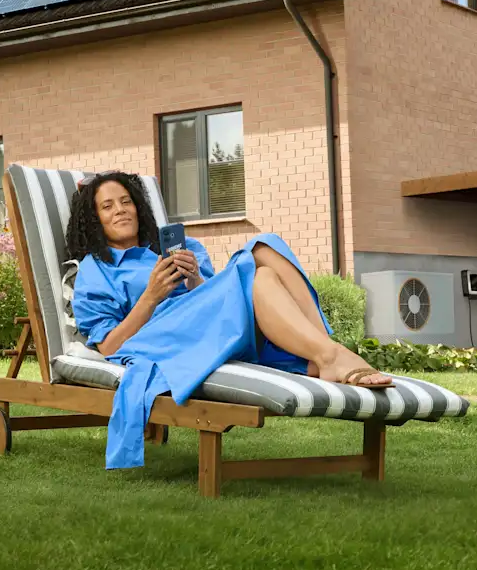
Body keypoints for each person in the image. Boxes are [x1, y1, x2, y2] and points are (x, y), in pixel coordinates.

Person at [63, 171, 390, 470]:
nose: (120, 210)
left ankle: (326, 353)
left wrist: (194, 280)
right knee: (260, 258)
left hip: (213, 327)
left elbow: (215, 295)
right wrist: (150, 296)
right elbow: (109, 346)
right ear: (94, 220)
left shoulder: (179, 248)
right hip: (167, 338)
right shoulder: (96, 270)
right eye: (107, 206)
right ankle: (332, 355)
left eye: (125, 201)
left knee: (264, 261)